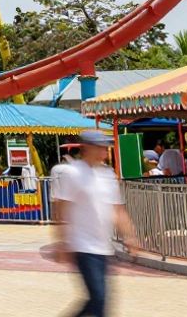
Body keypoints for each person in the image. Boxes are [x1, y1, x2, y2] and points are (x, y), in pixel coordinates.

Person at [53, 129, 140, 317]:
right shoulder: (73, 173)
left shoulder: (107, 175)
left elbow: (117, 210)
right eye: (101, 147)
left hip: (103, 247)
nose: (105, 151)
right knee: (99, 299)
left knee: (97, 300)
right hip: (82, 246)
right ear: (88, 148)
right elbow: (62, 210)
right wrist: (62, 242)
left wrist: (130, 236)